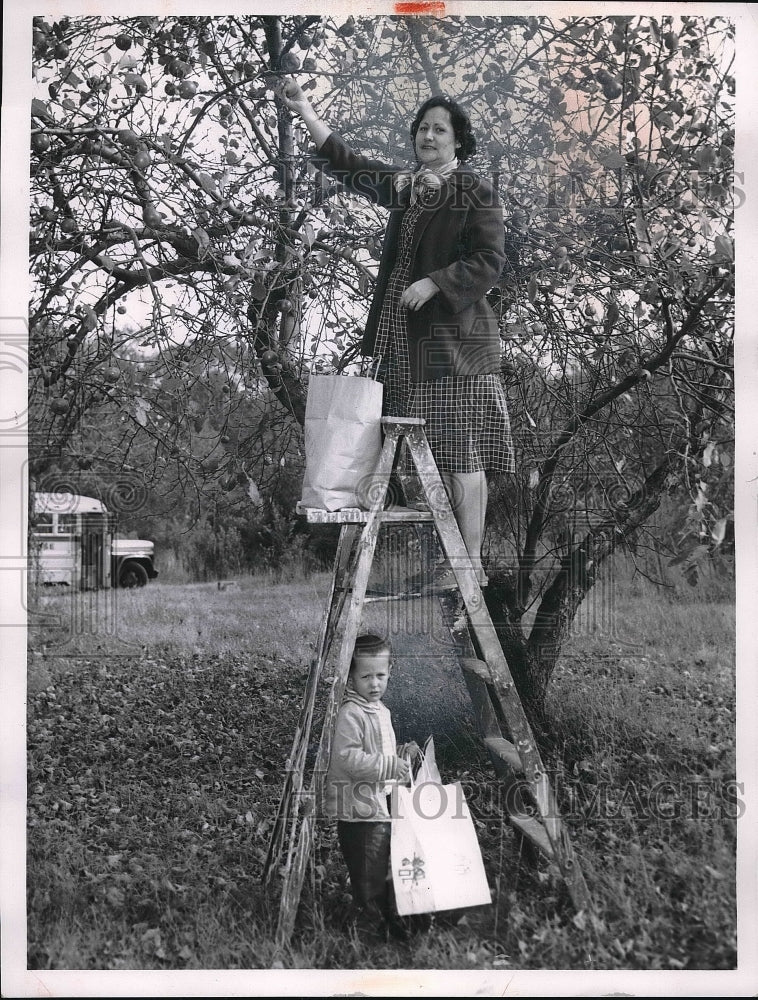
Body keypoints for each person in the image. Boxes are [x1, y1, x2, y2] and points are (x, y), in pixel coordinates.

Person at [275, 79, 515, 592]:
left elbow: (491, 261)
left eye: (439, 129)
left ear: (458, 141)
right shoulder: (408, 187)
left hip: (453, 351)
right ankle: (448, 560)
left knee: (460, 455)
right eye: (422, 128)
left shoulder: (475, 190)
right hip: (402, 347)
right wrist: (306, 111)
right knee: (426, 461)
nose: (428, 136)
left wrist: (435, 282)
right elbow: (348, 164)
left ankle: (466, 565)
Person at [323, 632, 419, 939]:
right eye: (366, 676)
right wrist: (389, 765)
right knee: (368, 870)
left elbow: (380, 754)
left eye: (381, 675)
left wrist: (399, 763)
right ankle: (368, 929)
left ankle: (388, 917)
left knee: (382, 864)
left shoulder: (380, 710)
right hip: (359, 810)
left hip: (378, 805)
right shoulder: (351, 713)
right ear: (351, 677)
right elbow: (349, 758)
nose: (374, 683)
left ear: (391, 672)